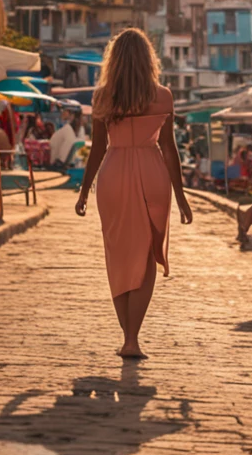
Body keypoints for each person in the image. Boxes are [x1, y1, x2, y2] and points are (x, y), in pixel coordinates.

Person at [74, 28, 193, 360]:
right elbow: (169, 150)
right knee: (146, 255)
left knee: (118, 254)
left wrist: (84, 192)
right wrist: (182, 198)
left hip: (113, 174)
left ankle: (127, 335)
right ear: (147, 60)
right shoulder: (163, 96)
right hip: (152, 172)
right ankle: (133, 338)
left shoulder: (102, 98)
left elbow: (97, 149)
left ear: (114, 61)